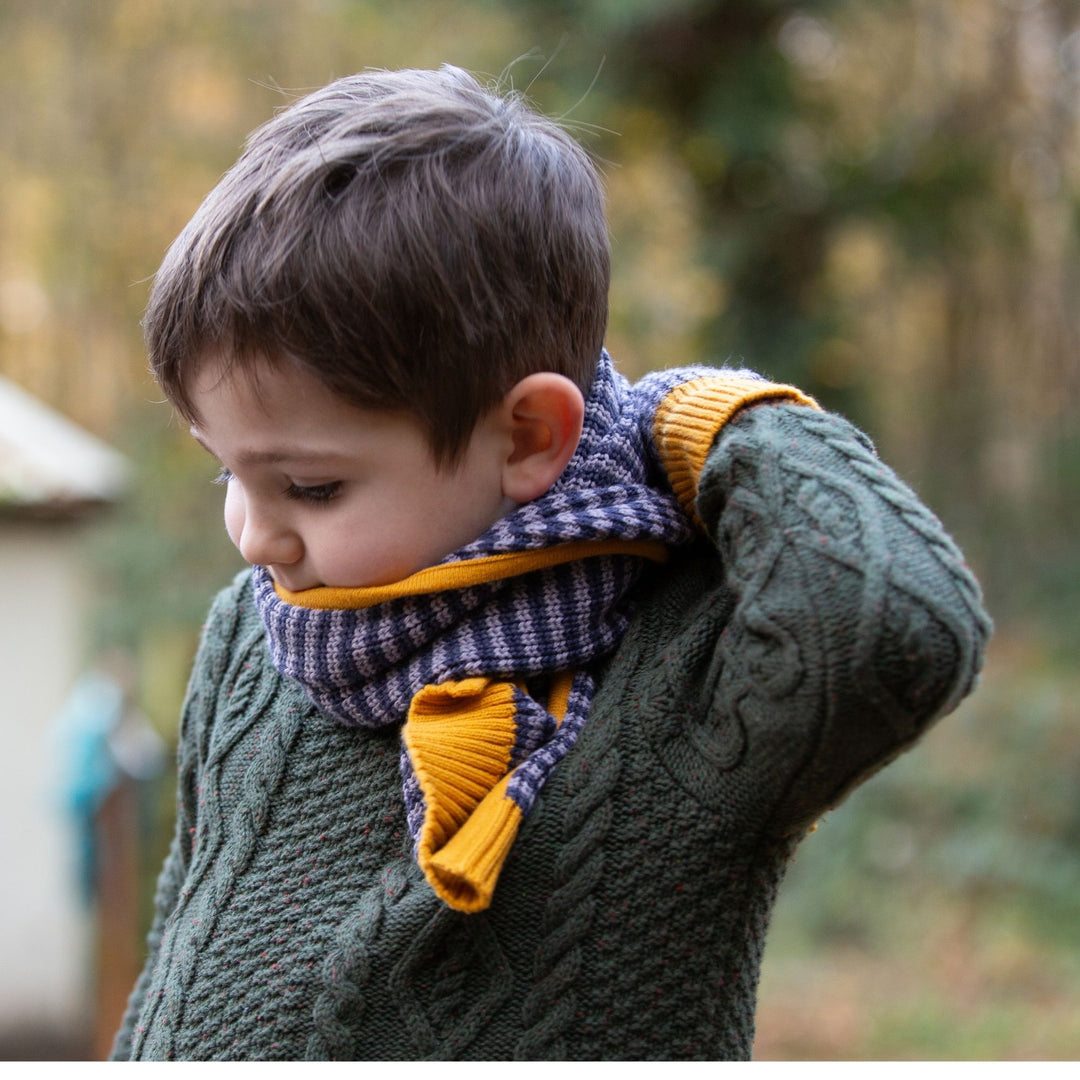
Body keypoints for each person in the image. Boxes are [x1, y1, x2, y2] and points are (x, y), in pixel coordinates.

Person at [112, 66, 991, 1061]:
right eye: (224, 471)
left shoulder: (680, 673)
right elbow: (177, 949)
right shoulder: (255, 637)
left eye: (311, 488)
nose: (255, 536)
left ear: (531, 434)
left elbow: (899, 627)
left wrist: (704, 418)